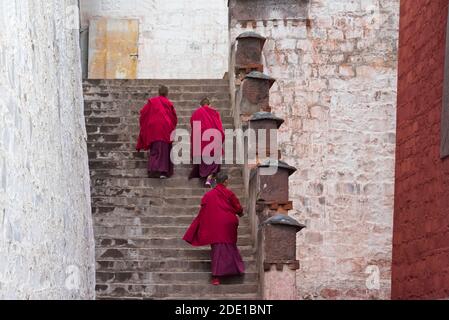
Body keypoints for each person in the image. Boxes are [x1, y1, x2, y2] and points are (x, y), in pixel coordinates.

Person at [183, 172, 245, 285]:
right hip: (228, 224)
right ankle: (233, 271)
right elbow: (237, 206)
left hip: (215, 226)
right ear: (225, 181)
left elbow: (203, 211)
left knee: (217, 250)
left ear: (216, 181)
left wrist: (198, 226)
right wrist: (240, 212)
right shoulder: (229, 193)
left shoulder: (208, 195)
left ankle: (216, 277)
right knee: (230, 246)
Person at [136, 85, 178, 179]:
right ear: (167, 94)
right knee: (163, 150)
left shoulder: (152, 101)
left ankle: (153, 171)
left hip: (154, 129)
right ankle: (162, 172)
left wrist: (147, 124)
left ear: (158, 92)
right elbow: (174, 118)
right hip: (165, 129)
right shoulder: (168, 103)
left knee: (155, 149)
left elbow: (143, 112)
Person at [189, 98, 225, 187]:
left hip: (201, 142)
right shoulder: (214, 112)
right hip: (213, 140)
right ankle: (209, 179)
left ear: (200, 105)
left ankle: (205, 177)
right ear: (209, 105)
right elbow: (219, 127)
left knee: (203, 161)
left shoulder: (196, 113)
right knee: (213, 162)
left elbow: (194, 127)